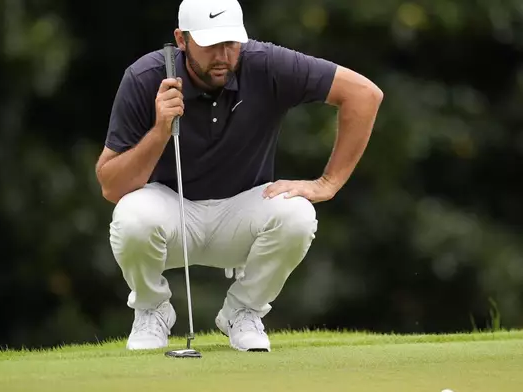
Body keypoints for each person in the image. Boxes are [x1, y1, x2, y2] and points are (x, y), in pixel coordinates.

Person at [95, 0, 383, 352]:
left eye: (231, 43)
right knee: (131, 217)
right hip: (170, 215)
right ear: (181, 39)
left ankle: (242, 312)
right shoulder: (145, 77)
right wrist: (159, 131)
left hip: (242, 215)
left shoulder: (266, 63)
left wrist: (328, 183)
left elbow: (364, 95)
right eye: (211, 44)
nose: (223, 55)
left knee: (298, 214)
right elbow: (111, 186)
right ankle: (152, 310)